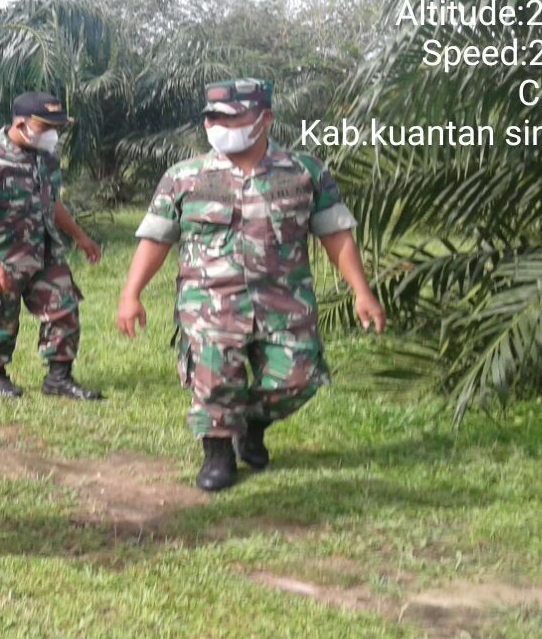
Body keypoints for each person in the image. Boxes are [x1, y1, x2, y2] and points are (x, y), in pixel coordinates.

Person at [116, 78, 385, 492]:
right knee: (215, 380)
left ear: (265, 119)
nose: (217, 125)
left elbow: (336, 234)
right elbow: (156, 238)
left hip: (284, 301)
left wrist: (361, 292)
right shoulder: (185, 177)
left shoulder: (303, 172)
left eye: (230, 117)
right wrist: (130, 295)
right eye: (211, 118)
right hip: (210, 303)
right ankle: (218, 454)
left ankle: (251, 425)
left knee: (298, 379)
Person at [0, 92, 104, 400]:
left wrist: (79, 235)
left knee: (64, 307)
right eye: (46, 126)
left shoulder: (46, 157)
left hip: (45, 251)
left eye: (57, 127)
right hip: (2, 253)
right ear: (21, 123)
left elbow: (53, 202)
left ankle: (59, 378)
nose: (53, 134)